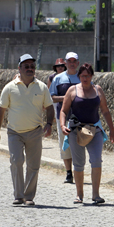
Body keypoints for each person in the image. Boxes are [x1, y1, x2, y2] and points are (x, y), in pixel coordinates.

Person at [0, 54, 54, 206]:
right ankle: (18, 195)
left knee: (33, 165)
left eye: (32, 66)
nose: (29, 69)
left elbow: (50, 107)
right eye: (26, 66)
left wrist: (49, 124)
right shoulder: (10, 87)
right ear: (19, 68)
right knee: (17, 161)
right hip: (15, 132)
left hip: (34, 131)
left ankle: (29, 196)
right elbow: (1, 110)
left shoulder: (42, 87)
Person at [60, 63, 114, 204]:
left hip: (94, 130)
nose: (85, 78)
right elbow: (63, 111)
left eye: (88, 76)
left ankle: (96, 195)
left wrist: (112, 129)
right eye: (83, 76)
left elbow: (105, 111)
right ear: (79, 76)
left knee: (96, 160)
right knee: (79, 163)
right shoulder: (72, 91)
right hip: (76, 131)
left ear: (92, 76)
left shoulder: (98, 90)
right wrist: (62, 125)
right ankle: (79, 195)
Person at [50, 52, 80, 184]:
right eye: (70, 61)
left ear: (77, 63)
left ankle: (78, 170)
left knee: (79, 144)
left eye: (74, 61)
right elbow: (52, 97)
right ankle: (69, 173)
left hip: (80, 117)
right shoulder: (58, 78)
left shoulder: (82, 77)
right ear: (66, 63)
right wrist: (67, 98)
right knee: (64, 145)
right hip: (63, 117)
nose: (72, 64)